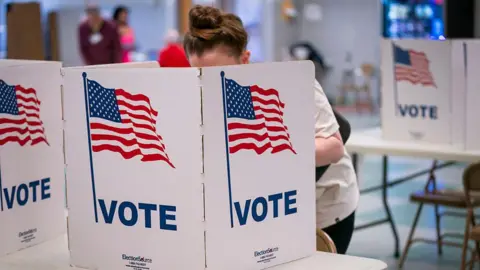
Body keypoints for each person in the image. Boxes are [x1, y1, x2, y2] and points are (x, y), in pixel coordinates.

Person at [183, 5, 359, 254]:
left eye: (219, 73)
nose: (209, 84)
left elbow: (333, 148)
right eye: (199, 74)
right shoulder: (196, 93)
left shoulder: (291, 84)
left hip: (324, 208)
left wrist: (269, 149)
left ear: (244, 60)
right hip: (263, 210)